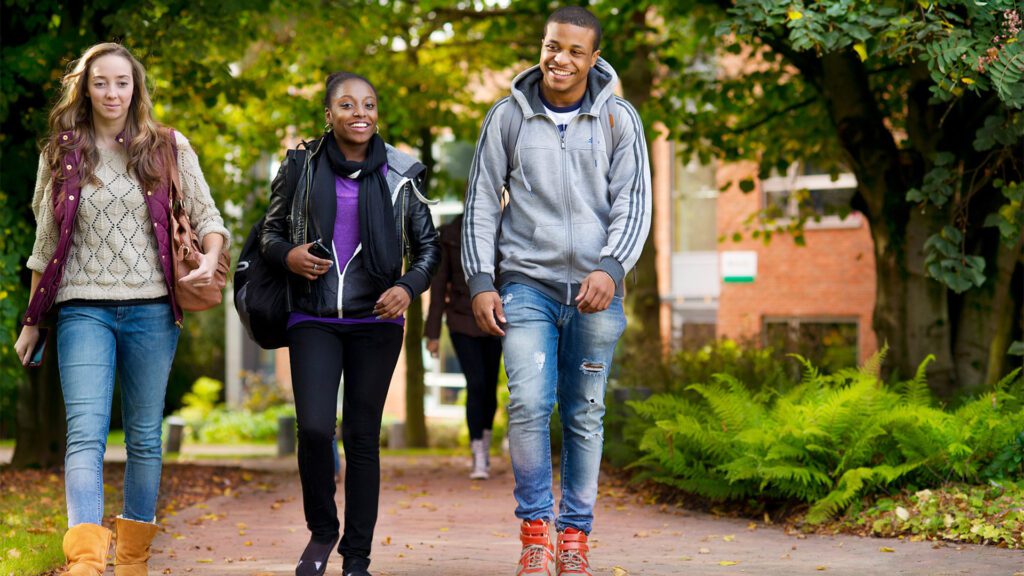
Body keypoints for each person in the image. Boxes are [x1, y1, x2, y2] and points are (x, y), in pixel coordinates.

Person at [13, 42, 229, 576]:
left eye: (122, 83)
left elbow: (210, 218)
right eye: (101, 82)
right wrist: (32, 320)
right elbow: (45, 244)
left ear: (136, 89)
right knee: (85, 433)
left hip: (152, 309)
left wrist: (211, 259)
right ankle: (86, 563)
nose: (112, 92)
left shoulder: (168, 147)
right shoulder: (60, 153)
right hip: (82, 307)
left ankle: (132, 562)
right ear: (85, 88)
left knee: (144, 437)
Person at [462, 6, 651, 576]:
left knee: (585, 413)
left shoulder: (619, 118)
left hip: (597, 290)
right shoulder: (507, 117)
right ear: (540, 47)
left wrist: (611, 267)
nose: (559, 59)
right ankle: (536, 531)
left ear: (594, 58)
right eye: (552, 46)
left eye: (574, 51)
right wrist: (479, 280)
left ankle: (574, 536)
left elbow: (633, 201)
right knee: (526, 405)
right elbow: (479, 203)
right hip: (527, 286)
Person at [260, 71, 439, 576]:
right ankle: (322, 531)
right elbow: (269, 234)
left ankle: (356, 556)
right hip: (312, 316)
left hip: (375, 320)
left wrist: (407, 288)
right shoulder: (299, 165)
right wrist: (289, 254)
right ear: (328, 115)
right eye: (346, 105)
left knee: (362, 437)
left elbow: (429, 249)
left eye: (368, 104)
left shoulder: (402, 173)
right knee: (316, 429)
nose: (359, 112)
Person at [424, 214, 503, 480]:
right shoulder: (449, 233)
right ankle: (477, 451)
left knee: (489, 388)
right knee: (476, 383)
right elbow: (438, 286)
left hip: (496, 320)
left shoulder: (503, 229)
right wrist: (432, 333)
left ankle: (486, 443)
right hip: (461, 320)